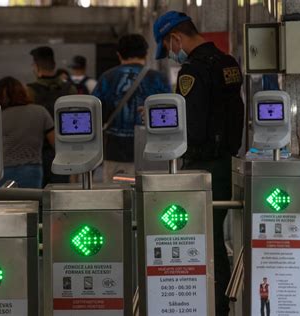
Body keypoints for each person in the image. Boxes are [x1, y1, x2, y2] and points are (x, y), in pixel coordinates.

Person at [153, 11, 244, 316]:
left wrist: (165, 122)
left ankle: (213, 304)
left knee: (203, 237)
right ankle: (221, 302)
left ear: (176, 38)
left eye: (168, 46)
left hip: (203, 164)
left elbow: (189, 125)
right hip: (226, 161)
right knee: (215, 233)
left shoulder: (192, 70)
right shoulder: (228, 62)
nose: (171, 53)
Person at [92, 34, 170, 182]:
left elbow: (94, 114)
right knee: (150, 197)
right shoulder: (159, 79)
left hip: (116, 151)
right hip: (153, 151)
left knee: (117, 198)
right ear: (146, 54)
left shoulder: (107, 78)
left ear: (119, 54)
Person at [27, 46, 77, 186]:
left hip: (38, 152)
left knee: (39, 195)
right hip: (64, 149)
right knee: (60, 194)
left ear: (36, 67)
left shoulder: (30, 91)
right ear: (54, 65)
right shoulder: (70, 89)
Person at [0, 76, 55, 190]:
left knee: (3, 207)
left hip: (3, 171)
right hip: (32, 170)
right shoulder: (40, 111)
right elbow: (55, 143)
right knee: (31, 205)